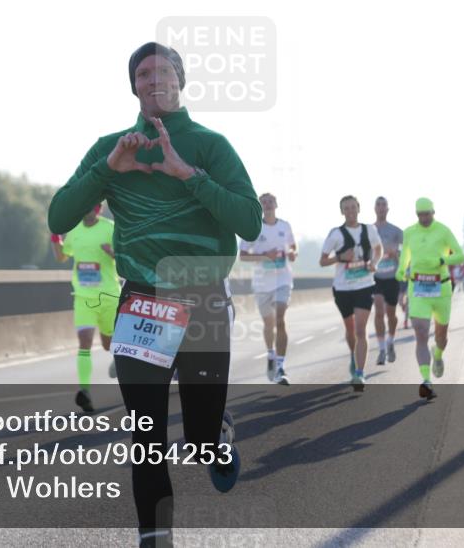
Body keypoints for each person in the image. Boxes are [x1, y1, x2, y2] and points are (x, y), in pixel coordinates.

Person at [47, 42, 261, 548]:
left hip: (204, 299)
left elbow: (249, 222)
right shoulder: (112, 147)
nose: (154, 79)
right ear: (135, 86)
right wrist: (107, 172)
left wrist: (188, 175)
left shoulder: (210, 145)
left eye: (164, 70)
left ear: (181, 80)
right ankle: (155, 539)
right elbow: (58, 218)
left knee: (200, 439)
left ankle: (216, 439)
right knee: (146, 439)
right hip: (142, 302)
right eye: (143, 73)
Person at [50, 203, 120, 412]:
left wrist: (112, 253)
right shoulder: (74, 231)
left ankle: (118, 359)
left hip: (109, 296)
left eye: (90, 207)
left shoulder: (110, 228)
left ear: (97, 209)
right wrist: (55, 240)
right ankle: (85, 392)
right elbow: (62, 256)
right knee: (85, 342)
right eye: (84, 207)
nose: (86, 210)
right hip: (83, 297)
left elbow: (125, 255)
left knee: (109, 345)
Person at [395, 197, 464, 400]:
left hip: (441, 288)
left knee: (441, 337)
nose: (424, 218)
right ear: (416, 214)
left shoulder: (443, 231)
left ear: (433, 213)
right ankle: (426, 381)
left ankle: (438, 354)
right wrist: (400, 271)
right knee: (421, 331)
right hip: (417, 288)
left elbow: (461, 256)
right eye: (420, 215)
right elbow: (404, 258)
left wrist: (442, 259)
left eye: (427, 214)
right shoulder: (409, 233)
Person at [319, 195, 383, 391]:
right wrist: (340, 257)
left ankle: (360, 374)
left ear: (359, 208)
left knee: (360, 330)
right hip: (343, 288)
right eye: (346, 208)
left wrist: (374, 263)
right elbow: (322, 261)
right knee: (350, 331)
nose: (350, 211)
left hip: (364, 285)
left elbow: (378, 248)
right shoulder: (336, 234)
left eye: (353, 207)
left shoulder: (369, 230)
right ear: (342, 211)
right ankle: (353, 356)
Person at [239, 193, 297, 384]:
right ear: (260, 206)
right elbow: (243, 256)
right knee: (268, 324)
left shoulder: (284, 226)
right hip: (262, 283)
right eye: (263, 202)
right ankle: (270, 354)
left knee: (280, 319)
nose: (268, 204)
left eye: (270, 201)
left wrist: (292, 253)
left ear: (276, 204)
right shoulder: (254, 228)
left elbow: (293, 246)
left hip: (283, 280)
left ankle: (280, 367)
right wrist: (265, 256)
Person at [371, 196, 403, 365]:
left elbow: (407, 254)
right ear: (374, 209)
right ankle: (382, 349)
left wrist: (395, 254)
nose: (381, 208)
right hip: (376, 277)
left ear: (388, 209)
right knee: (378, 311)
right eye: (378, 205)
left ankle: (391, 340)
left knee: (391, 315)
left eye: (384, 205)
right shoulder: (369, 230)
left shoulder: (396, 231)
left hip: (392, 277)